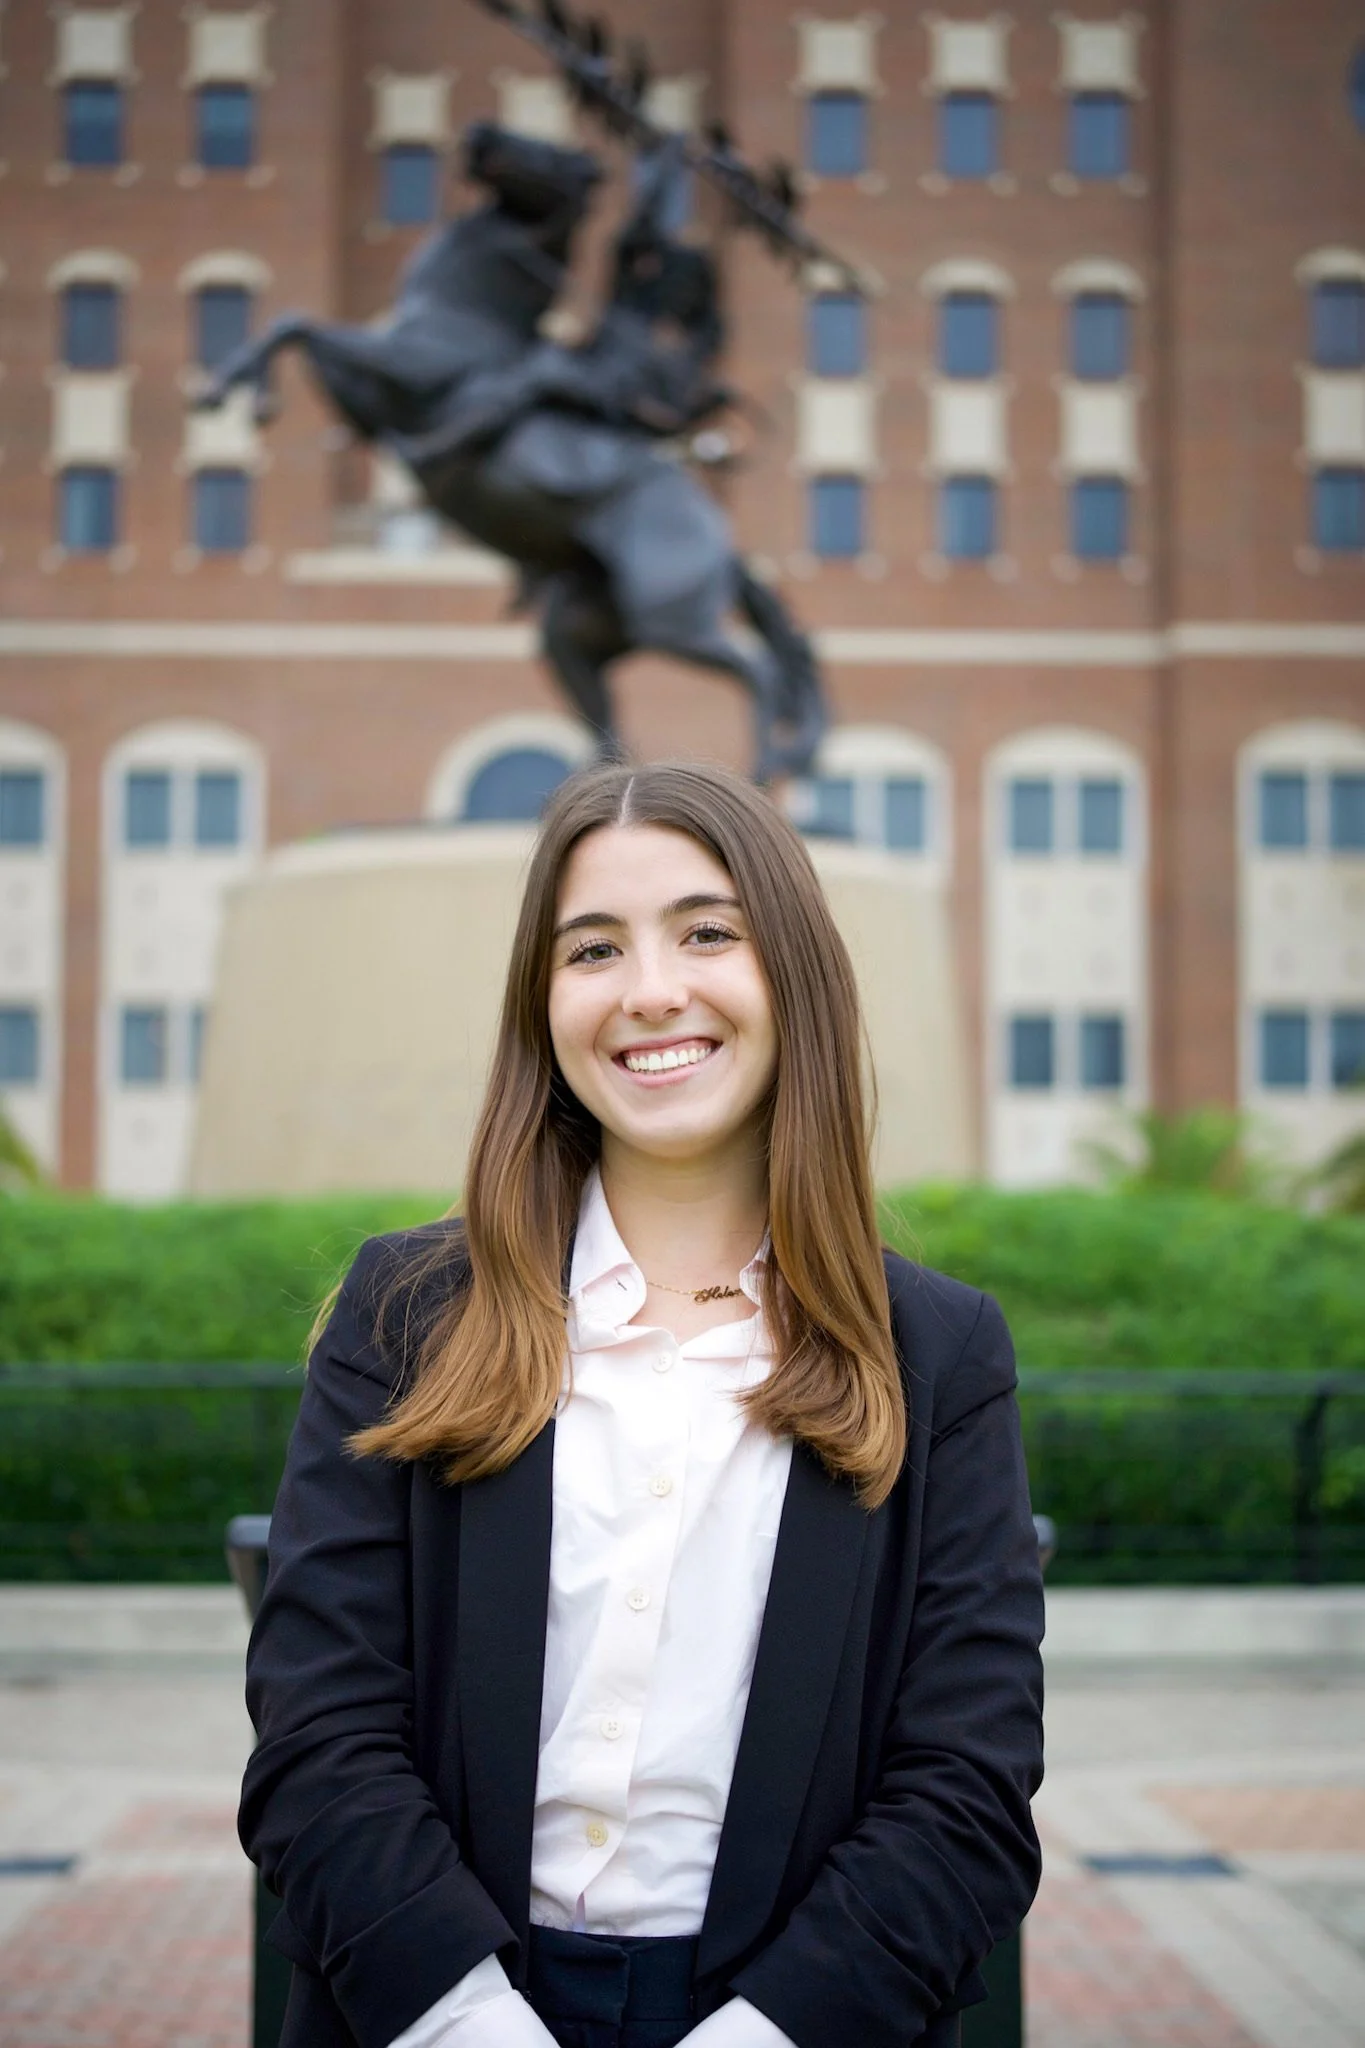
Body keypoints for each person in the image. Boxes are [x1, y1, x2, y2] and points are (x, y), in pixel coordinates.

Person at [241, 761, 1045, 2048]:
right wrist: (472, 2026)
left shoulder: (938, 1354)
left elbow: (965, 1788)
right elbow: (318, 1729)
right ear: (542, 1003)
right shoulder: (409, 1314)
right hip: (433, 2011)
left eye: (708, 931)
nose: (652, 989)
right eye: (593, 947)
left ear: (794, 973)